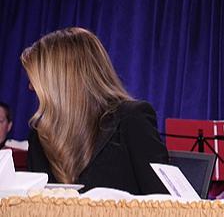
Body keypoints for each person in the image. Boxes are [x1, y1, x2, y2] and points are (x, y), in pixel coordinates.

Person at [22, 27, 168, 194]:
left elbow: (164, 201)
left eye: (37, 80)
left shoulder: (132, 120)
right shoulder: (39, 136)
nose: (31, 87)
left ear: (62, 82)